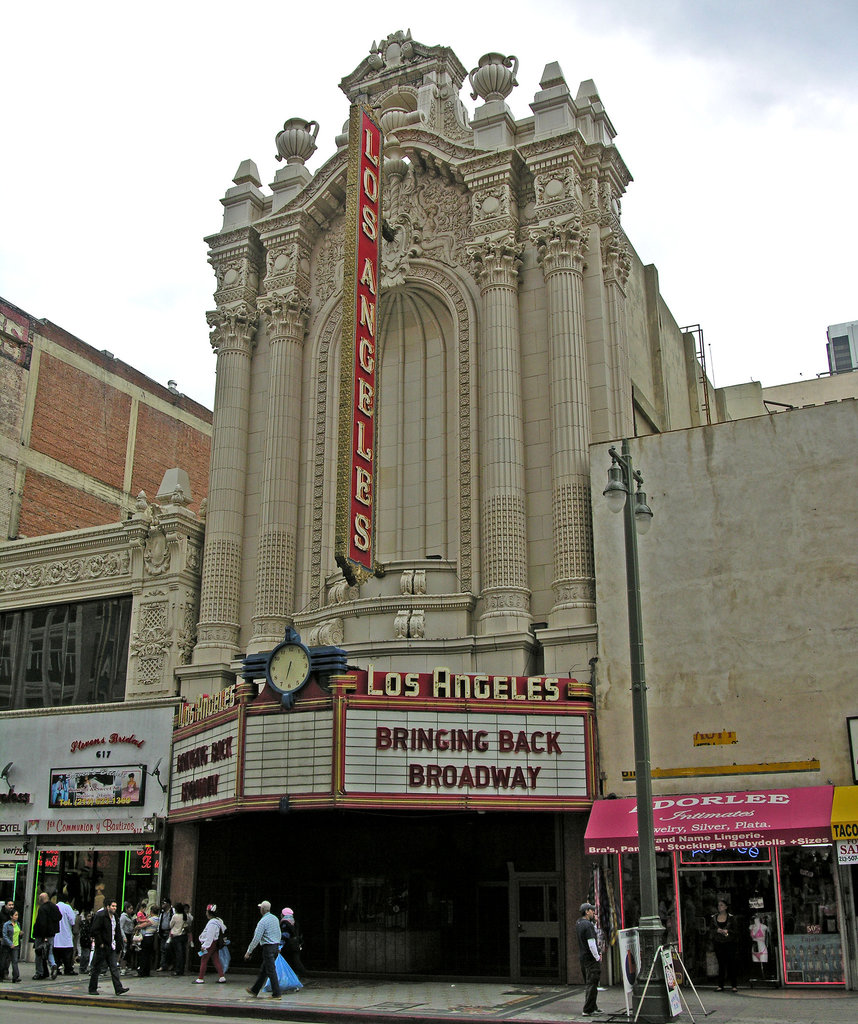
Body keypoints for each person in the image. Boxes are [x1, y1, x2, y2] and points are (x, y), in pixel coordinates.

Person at [88, 898, 130, 996]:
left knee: (114, 967)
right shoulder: (101, 915)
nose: (115, 908)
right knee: (97, 968)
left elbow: (116, 931)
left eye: (115, 906)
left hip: (111, 946)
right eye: (113, 906)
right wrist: (100, 943)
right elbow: (95, 930)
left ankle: (118, 988)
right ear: (108, 907)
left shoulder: (115, 916)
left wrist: (118, 943)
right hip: (102, 946)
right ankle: (92, 988)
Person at [244, 899, 282, 999]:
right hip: (275, 947)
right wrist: (278, 946)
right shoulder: (275, 919)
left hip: (268, 948)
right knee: (264, 970)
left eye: (260, 908)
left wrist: (249, 952)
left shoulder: (262, 922)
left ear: (263, 910)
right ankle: (254, 990)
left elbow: (256, 938)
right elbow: (278, 933)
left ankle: (277, 993)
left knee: (271, 971)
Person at [576, 901, 602, 1016]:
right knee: (592, 983)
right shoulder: (588, 925)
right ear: (587, 912)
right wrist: (597, 957)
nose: (593, 912)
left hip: (583, 957)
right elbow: (591, 943)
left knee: (590, 983)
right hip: (591, 959)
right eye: (591, 910)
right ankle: (588, 1009)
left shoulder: (579, 923)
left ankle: (593, 1006)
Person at [711, 898, 738, 992]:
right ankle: (720, 985)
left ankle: (734, 985)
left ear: (726, 907)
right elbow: (710, 930)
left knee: (731, 963)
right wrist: (716, 931)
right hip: (718, 942)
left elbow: (736, 930)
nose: (720, 907)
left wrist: (728, 931)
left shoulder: (731, 917)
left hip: (729, 942)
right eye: (718, 905)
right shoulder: (714, 918)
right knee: (721, 964)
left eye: (722, 905)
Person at [31, 892, 61, 979]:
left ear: (41, 899)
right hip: (51, 934)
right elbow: (59, 917)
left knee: (39, 953)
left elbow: (42, 924)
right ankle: (53, 965)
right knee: (50, 951)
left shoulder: (42, 909)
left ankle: (39, 972)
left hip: (42, 935)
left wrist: (44, 937)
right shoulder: (54, 907)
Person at [195, 904, 226, 984]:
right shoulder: (218, 921)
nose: (206, 913)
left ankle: (200, 978)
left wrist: (204, 946)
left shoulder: (212, 923)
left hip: (210, 944)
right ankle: (221, 977)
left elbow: (210, 936)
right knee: (216, 960)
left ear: (209, 913)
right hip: (214, 944)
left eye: (206, 911)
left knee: (204, 960)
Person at [279, 907, 306, 979]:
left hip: (288, 946)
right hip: (296, 944)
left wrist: (280, 945)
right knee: (295, 960)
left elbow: (285, 935)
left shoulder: (285, 923)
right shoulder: (294, 922)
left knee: (289, 961)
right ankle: (298, 974)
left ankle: (298, 973)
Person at [53, 898, 78, 975]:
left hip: (56, 935)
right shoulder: (67, 907)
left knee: (56, 954)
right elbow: (72, 920)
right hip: (66, 933)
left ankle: (57, 968)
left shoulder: (54, 907)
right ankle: (68, 969)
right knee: (67, 954)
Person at [169, 902, 193, 976]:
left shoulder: (175, 916)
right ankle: (182, 969)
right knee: (183, 953)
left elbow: (170, 925)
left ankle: (177, 969)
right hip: (184, 935)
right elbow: (189, 923)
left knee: (177, 953)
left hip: (176, 935)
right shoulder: (185, 916)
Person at [135, 904, 158, 976]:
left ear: (151, 911)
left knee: (144, 955)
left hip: (147, 937)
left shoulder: (151, 919)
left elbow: (140, 926)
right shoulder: (158, 918)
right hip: (152, 937)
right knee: (148, 955)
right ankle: (147, 971)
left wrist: (137, 926)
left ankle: (142, 971)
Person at [1, 909, 21, 982]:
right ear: (11, 916)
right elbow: (5, 935)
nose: (17, 917)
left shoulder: (17, 924)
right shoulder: (7, 924)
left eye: (17, 915)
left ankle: (15, 977)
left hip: (16, 945)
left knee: (15, 961)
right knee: (3, 961)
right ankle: (1, 975)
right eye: (15, 915)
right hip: (7, 945)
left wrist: (20, 933)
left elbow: (17, 932)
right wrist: (10, 943)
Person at [156, 896, 174, 971]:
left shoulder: (172, 912)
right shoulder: (162, 913)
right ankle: (163, 965)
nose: (162, 904)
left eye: (164, 903)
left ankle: (171, 963)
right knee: (162, 949)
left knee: (168, 948)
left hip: (170, 932)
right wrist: (158, 931)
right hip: (163, 932)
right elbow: (159, 922)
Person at [119, 902, 136, 974]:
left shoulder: (130, 916)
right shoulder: (123, 916)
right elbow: (121, 927)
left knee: (128, 951)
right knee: (125, 951)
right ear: (126, 909)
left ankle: (125, 966)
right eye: (130, 908)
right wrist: (124, 937)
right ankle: (122, 967)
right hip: (125, 934)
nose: (132, 910)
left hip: (130, 934)